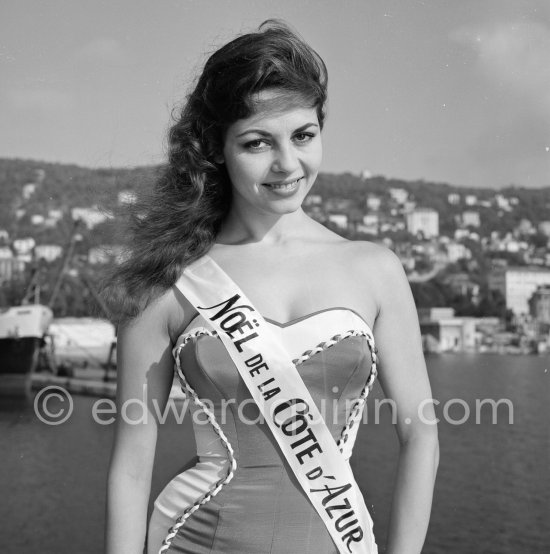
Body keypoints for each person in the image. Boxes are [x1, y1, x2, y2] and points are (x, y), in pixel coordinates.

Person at [104, 20, 439, 554]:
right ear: (216, 148)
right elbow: (130, 466)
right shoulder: (168, 282)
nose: (287, 164)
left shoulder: (374, 269)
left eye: (303, 136)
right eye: (258, 142)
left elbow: (420, 435)